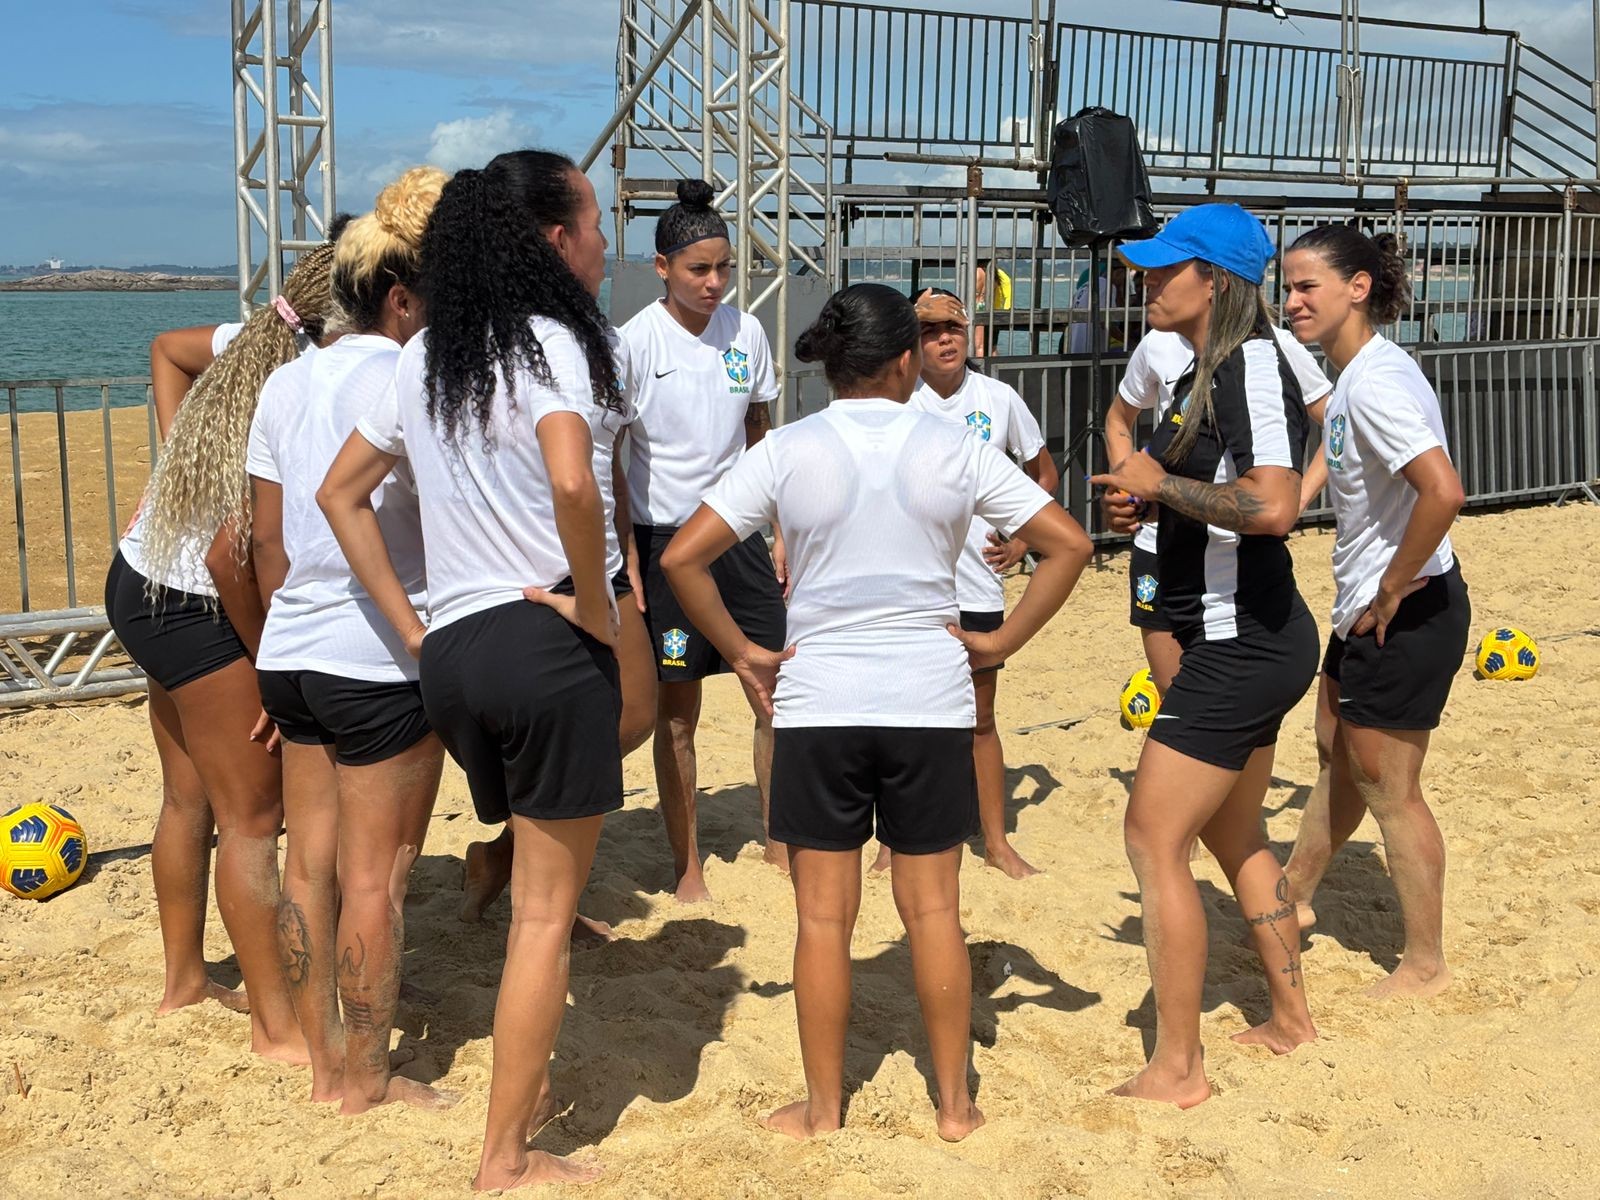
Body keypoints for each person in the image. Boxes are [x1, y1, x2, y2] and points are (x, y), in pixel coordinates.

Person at [661, 283, 1093, 1141]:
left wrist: (745, 651)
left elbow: (683, 556)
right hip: (929, 696)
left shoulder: (787, 448)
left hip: (821, 697)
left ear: (833, 363)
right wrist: (1002, 641)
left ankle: (824, 1110)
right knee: (933, 910)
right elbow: (1069, 544)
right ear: (903, 359)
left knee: (824, 917)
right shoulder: (954, 443)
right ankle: (956, 1107)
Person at [318, 149, 623, 1191]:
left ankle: (517, 1102)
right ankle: (506, 1156)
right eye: (594, 220)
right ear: (552, 239)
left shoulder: (424, 353)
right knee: (546, 920)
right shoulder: (553, 341)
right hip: (541, 639)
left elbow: (339, 495)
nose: (604, 238)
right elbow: (574, 482)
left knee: (525, 894)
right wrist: (594, 599)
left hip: (454, 652)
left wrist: (412, 631)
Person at [1090, 204, 1320, 1107]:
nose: (1147, 279)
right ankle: (1294, 1020)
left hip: (1242, 639)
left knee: (1152, 836)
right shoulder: (1199, 368)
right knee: (1231, 832)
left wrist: (1163, 484)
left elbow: (1271, 507)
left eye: (1164, 267)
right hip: (1236, 630)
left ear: (1214, 281)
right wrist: (1147, 504)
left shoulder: (1253, 365)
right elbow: (1210, 495)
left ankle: (1179, 1068)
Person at [247, 166, 456, 1111]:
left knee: (309, 867)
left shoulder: (287, 384)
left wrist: (268, 655)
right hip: (378, 648)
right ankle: (367, 1079)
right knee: (377, 880)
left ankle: (328, 1063)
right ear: (404, 295)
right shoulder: (412, 374)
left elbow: (263, 537)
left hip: (291, 648)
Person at [105, 236, 343, 1058]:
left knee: (187, 798)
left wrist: (180, 471)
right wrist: (275, 674)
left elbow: (165, 350)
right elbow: (227, 553)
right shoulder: (297, 384)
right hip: (197, 601)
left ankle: (184, 982)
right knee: (253, 817)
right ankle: (276, 1029)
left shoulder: (259, 335)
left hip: (138, 575)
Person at [1278, 225, 1470, 999]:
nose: (1290, 302)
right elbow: (1342, 436)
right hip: (1364, 606)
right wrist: (1302, 491)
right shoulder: (1357, 377)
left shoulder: (1380, 381)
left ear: (1358, 288)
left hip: (1406, 609)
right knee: (1335, 748)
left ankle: (1425, 963)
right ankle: (1294, 896)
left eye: (1305, 287)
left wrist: (1391, 587)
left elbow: (1444, 491)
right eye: (1286, 287)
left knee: (1391, 786)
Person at [618, 177, 789, 902]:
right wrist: (628, 560)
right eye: (699, 269)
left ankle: (782, 843)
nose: (714, 282)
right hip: (662, 543)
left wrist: (777, 530)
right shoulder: (629, 343)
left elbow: (760, 432)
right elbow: (609, 458)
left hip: (738, 535)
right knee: (677, 711)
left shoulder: (746, 333)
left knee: (773, 689)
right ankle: (687, 865)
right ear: (662, 267)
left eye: (724, 268)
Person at [869, 286, 1059, 879]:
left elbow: (1042, 471)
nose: (943, 339)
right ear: (911, 344)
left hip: (976, 585)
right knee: (898, 717)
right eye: (928, 331)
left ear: (969, 332)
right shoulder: (900, 402)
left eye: (951, 327)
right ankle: (889, 842)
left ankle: (995, 841)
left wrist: (1025, 538)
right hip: (908, 586)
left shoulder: (998, 399)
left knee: (980, 718)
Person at [1106, 326, 1332, 695]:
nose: (1153, 285)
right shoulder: (1158, 342)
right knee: (1175, 695)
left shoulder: (1272, 346)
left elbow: (1337, 420)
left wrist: (1300, 496)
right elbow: (1118, 419)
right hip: (1159, 544)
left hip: (1227, 552)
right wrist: (1127, 484)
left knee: (1216, 706)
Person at [972, 257, 1012, 358]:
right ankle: (992, 370)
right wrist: (1006, 310)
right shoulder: (996, 274)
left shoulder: (977, 272)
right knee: (991, 346)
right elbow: (1008, 294)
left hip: (978, 308)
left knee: (978, 345)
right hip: (993, 311)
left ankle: (979, 368)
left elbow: (975, 295)